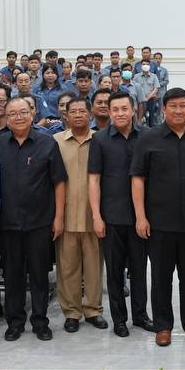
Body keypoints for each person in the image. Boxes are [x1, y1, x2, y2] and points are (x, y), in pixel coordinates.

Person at [131, 87, 185, 347]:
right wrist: (140, 217)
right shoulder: (148, 139)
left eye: (183, 106)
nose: (178, 111)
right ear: (164, 109)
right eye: (173, 106)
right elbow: (138, 179)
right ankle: (163, 326)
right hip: (159, 223)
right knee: (161, 277)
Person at [0, 97, 64, 341]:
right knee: (12, 275)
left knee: (39, 275)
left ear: (32, 114)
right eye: (13, 113)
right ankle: (14, 322)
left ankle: (40, 321)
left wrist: (58, 217)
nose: (19, 117)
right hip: (7, 223)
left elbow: (59, 182)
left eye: (23, 112)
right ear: (6, 118)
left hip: (40, 222)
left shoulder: (47, 143)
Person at [88, 90, 155, 337]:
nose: (119, 113)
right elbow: (94, 180)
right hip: (111, 216)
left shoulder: (148, 136)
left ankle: (140, 315)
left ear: (133, 110)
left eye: (124, 108)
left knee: (139, 269)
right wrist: (96, 216)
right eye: (114, 109)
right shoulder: (100, 140)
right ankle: (119, 319)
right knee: (114, 272)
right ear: (109, 112)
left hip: (141, 217)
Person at [54, 97, 106, 332]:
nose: (77, 115)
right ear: (65, 115)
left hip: (93, 214)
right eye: (72, 111)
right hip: (65, 214)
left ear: (90, 114)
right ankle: (72, 312)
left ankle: (93, 310)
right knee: (67, 268)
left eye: (81, 111)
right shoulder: (55, 141)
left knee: (94, 267)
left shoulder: (101, 140)